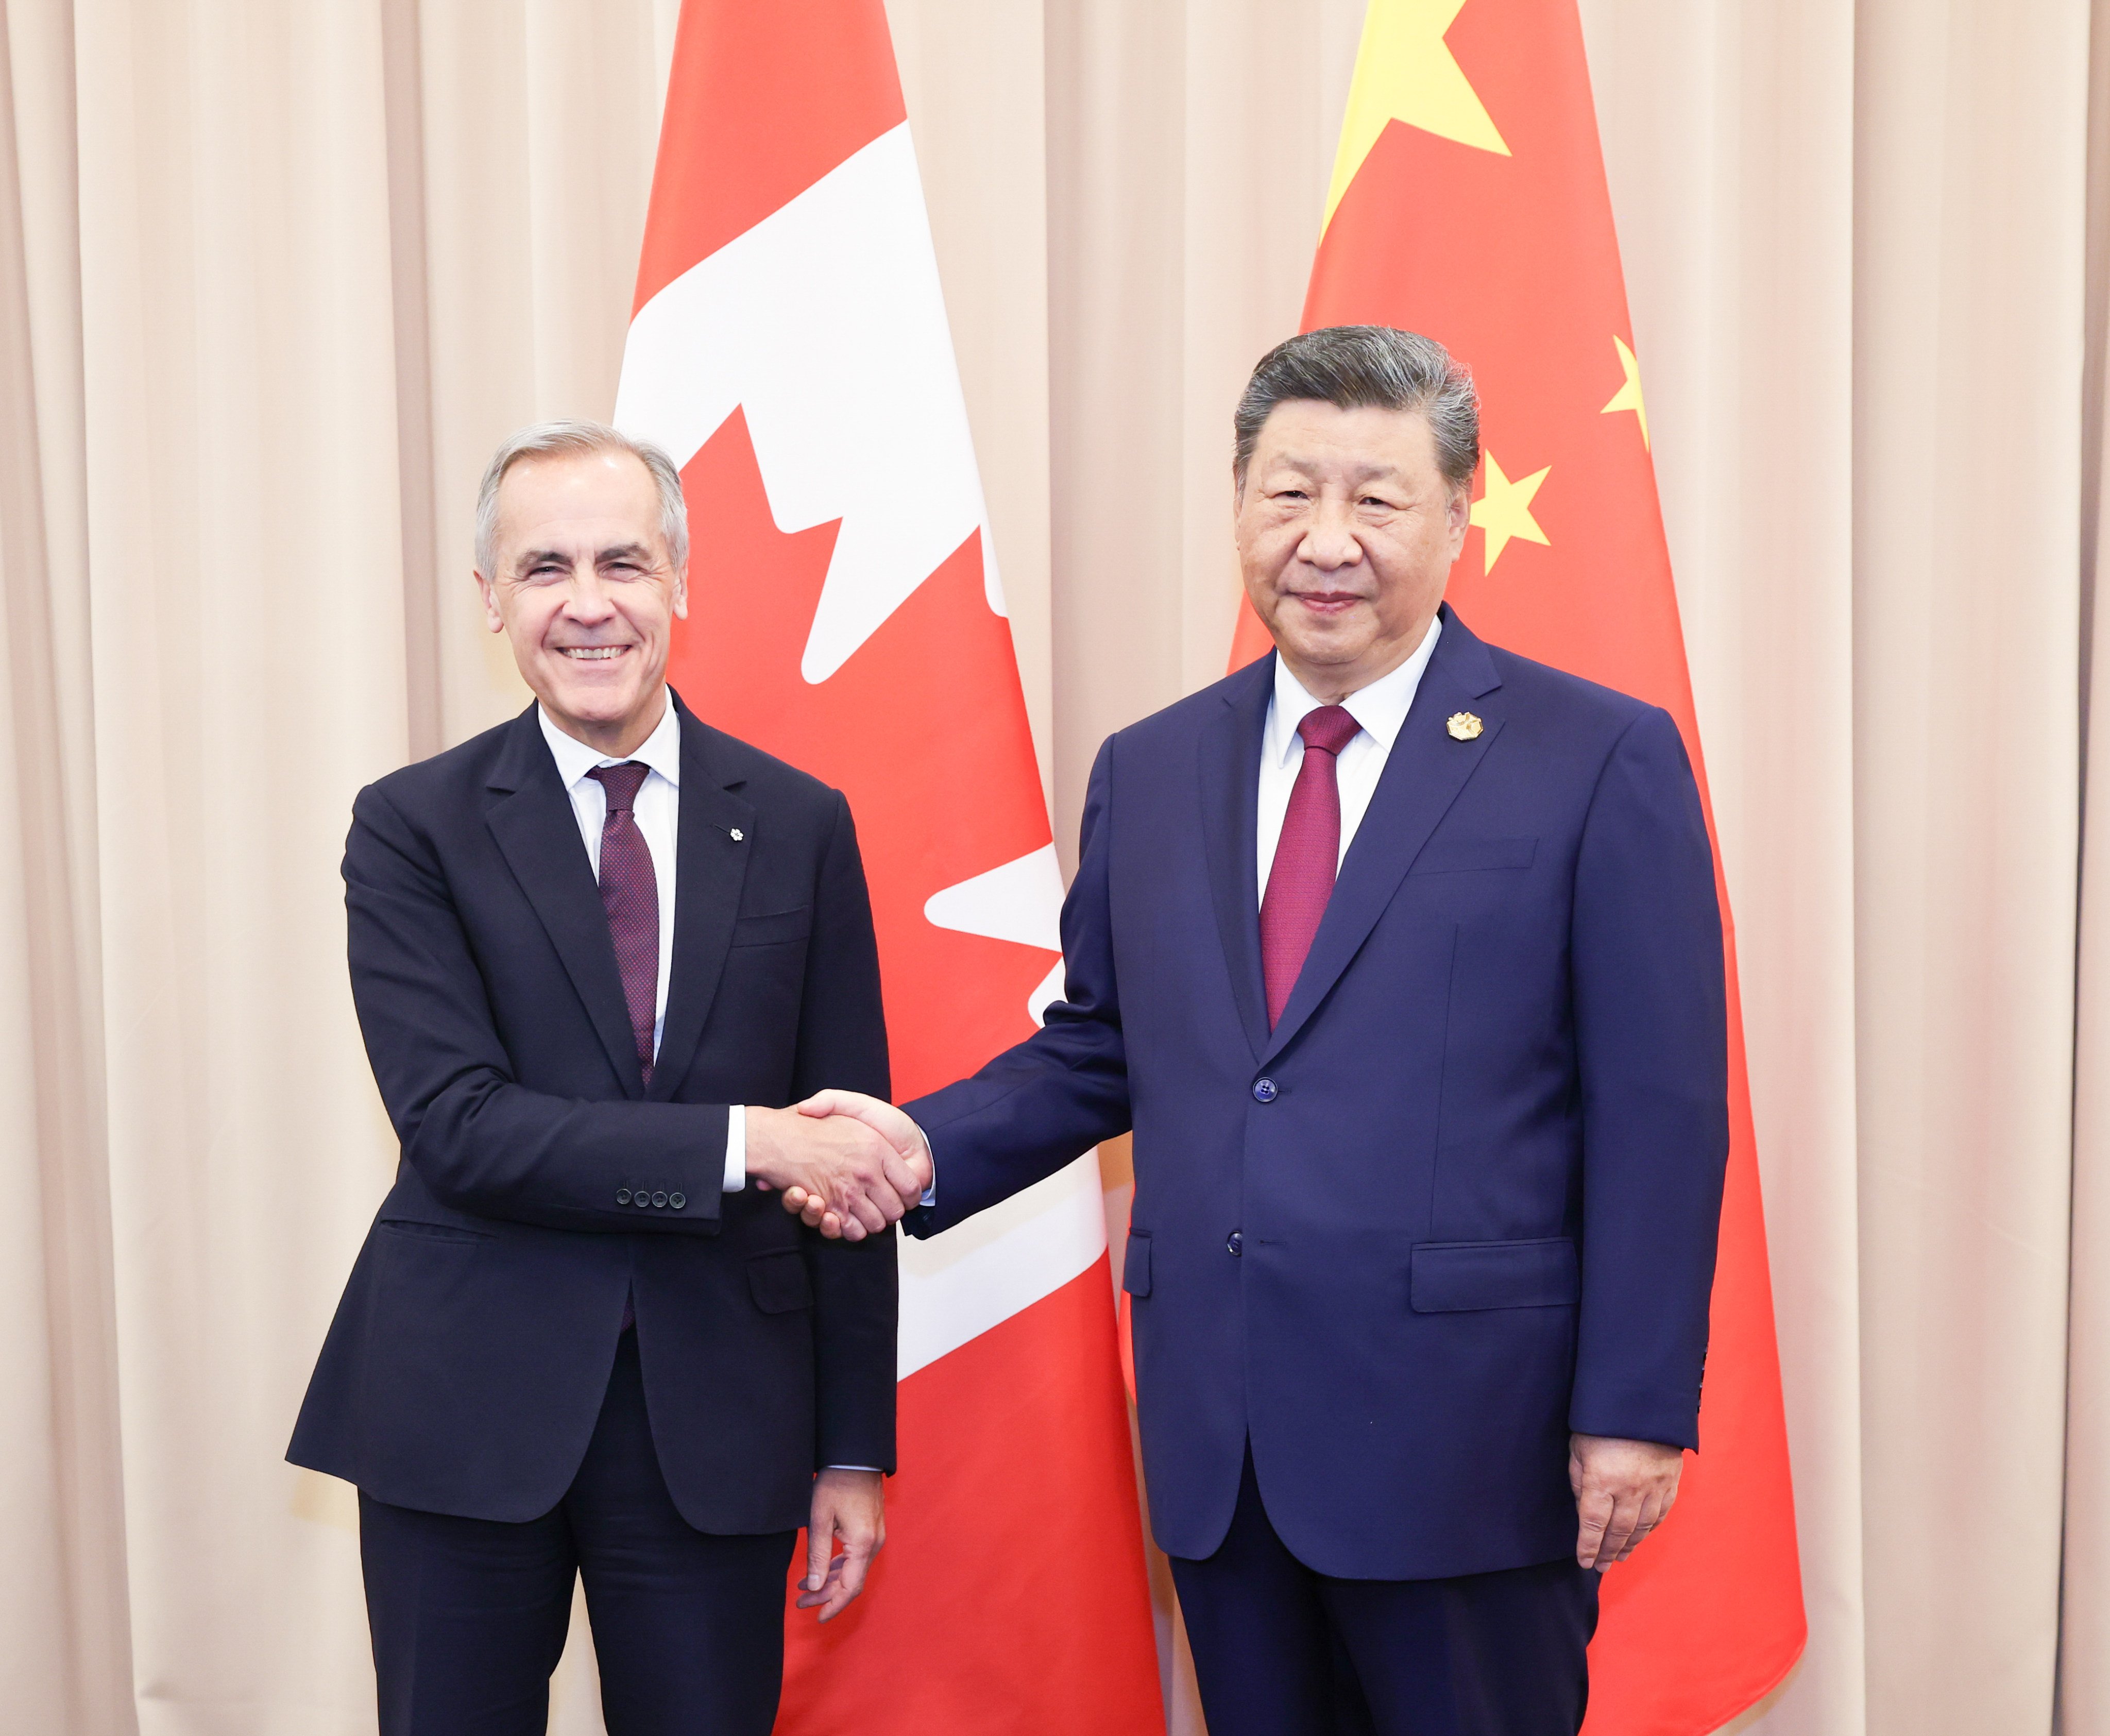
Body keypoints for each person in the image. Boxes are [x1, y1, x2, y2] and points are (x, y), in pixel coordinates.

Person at [790, 327, 1729, 1734]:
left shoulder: (1598, 756)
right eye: (1290, 493)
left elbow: (1663, 1112)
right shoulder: (1155, 768)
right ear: (1240, 504)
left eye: (1378, 498)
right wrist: (921, 1144)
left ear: (1461, 517)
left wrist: (1637, 1407)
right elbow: (1107, 1041)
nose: (1327, 540)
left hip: (1473, 1443)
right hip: (1222, 1441)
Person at [288, 421, 929, 1736]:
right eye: (544, 569)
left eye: (623, 563)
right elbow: (459, 1126)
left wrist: (854, 1445)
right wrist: (746, 1141)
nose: (588, 604)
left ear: (681, 582)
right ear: (491, 601)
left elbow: (848, 1147)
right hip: (461, 1409)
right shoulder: (412, 825)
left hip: (720, 1414)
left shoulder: (802, 822)